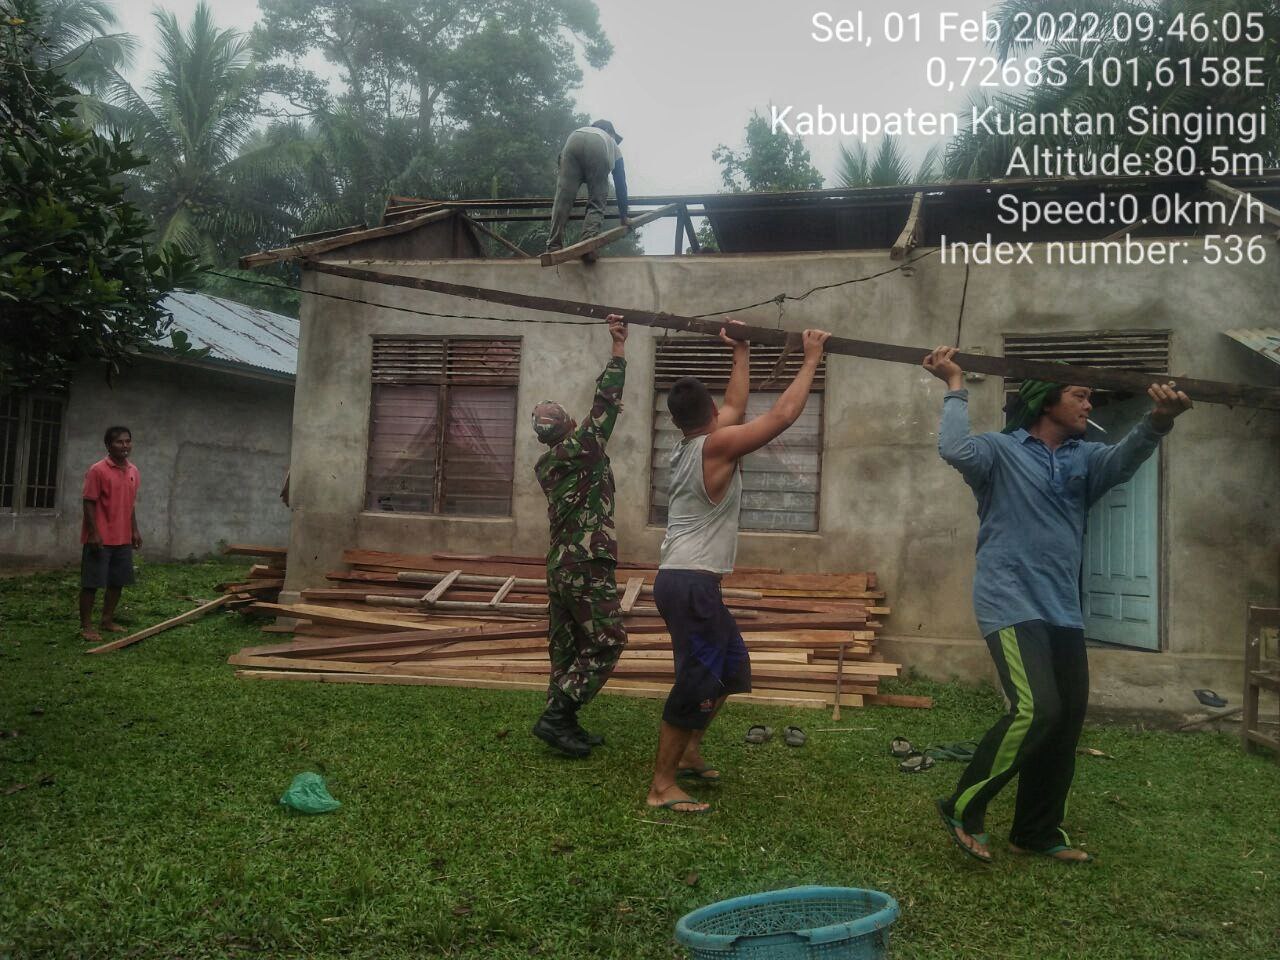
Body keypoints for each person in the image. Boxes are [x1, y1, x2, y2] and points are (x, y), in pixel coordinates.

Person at [922, 345, 1193, 863]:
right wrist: (955, 385)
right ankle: (963, 805)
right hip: (1009, 601)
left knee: (1064, 721)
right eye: (1080, 395)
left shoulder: (1087, 458)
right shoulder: (1000, 452)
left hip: (1063, 609)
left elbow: (1123, 461)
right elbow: (955, 449)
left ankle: (1036, 832)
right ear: (1047, 401)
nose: (1089, 405)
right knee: (1036, 708)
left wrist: (1157, 421)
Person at [647, 322, 831, 814]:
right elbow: (783, 414)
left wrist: (743, 352)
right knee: (696, 679)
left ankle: (687, 751)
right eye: (721, 411)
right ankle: (661, 786)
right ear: (710, 414)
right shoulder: (716, 446)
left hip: (686, 580)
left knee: (730, 668)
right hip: (690, 582)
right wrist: (812, 357)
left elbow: (737, 406)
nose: (727, 414)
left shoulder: (689, 444)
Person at [530, 314, 630, 758]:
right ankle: (556, 716)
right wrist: (618, 348)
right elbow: (606, 403)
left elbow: (599, 418)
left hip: (560, 566)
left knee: (567, 647)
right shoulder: (582, 448)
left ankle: (564, 723)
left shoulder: (549, 463)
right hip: (586, 562)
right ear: (569, 426)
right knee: (608, 641)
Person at [79, 426, 142, 641]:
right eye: (119, 442)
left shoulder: (133, 471)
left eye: (127, 441)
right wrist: (94, 533)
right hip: (100, 538)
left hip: (123, 538)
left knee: (117, 581)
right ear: (108, 445)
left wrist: (134, 530)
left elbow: (131, 505)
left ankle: (107, 620)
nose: (124, 446)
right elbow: (89, 502)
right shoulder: (98, 470)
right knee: (91, 583)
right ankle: (87, 626)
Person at [546, 120, 629, 259]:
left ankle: (553, 245)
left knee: (563, 199)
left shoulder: (581, 131)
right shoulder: (611, 141)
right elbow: (621, 183)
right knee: (597, 202)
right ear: (611, 133)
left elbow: (560, 161)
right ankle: (587, 246)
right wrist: (624, 216)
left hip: (573, 140)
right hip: (597, 146)